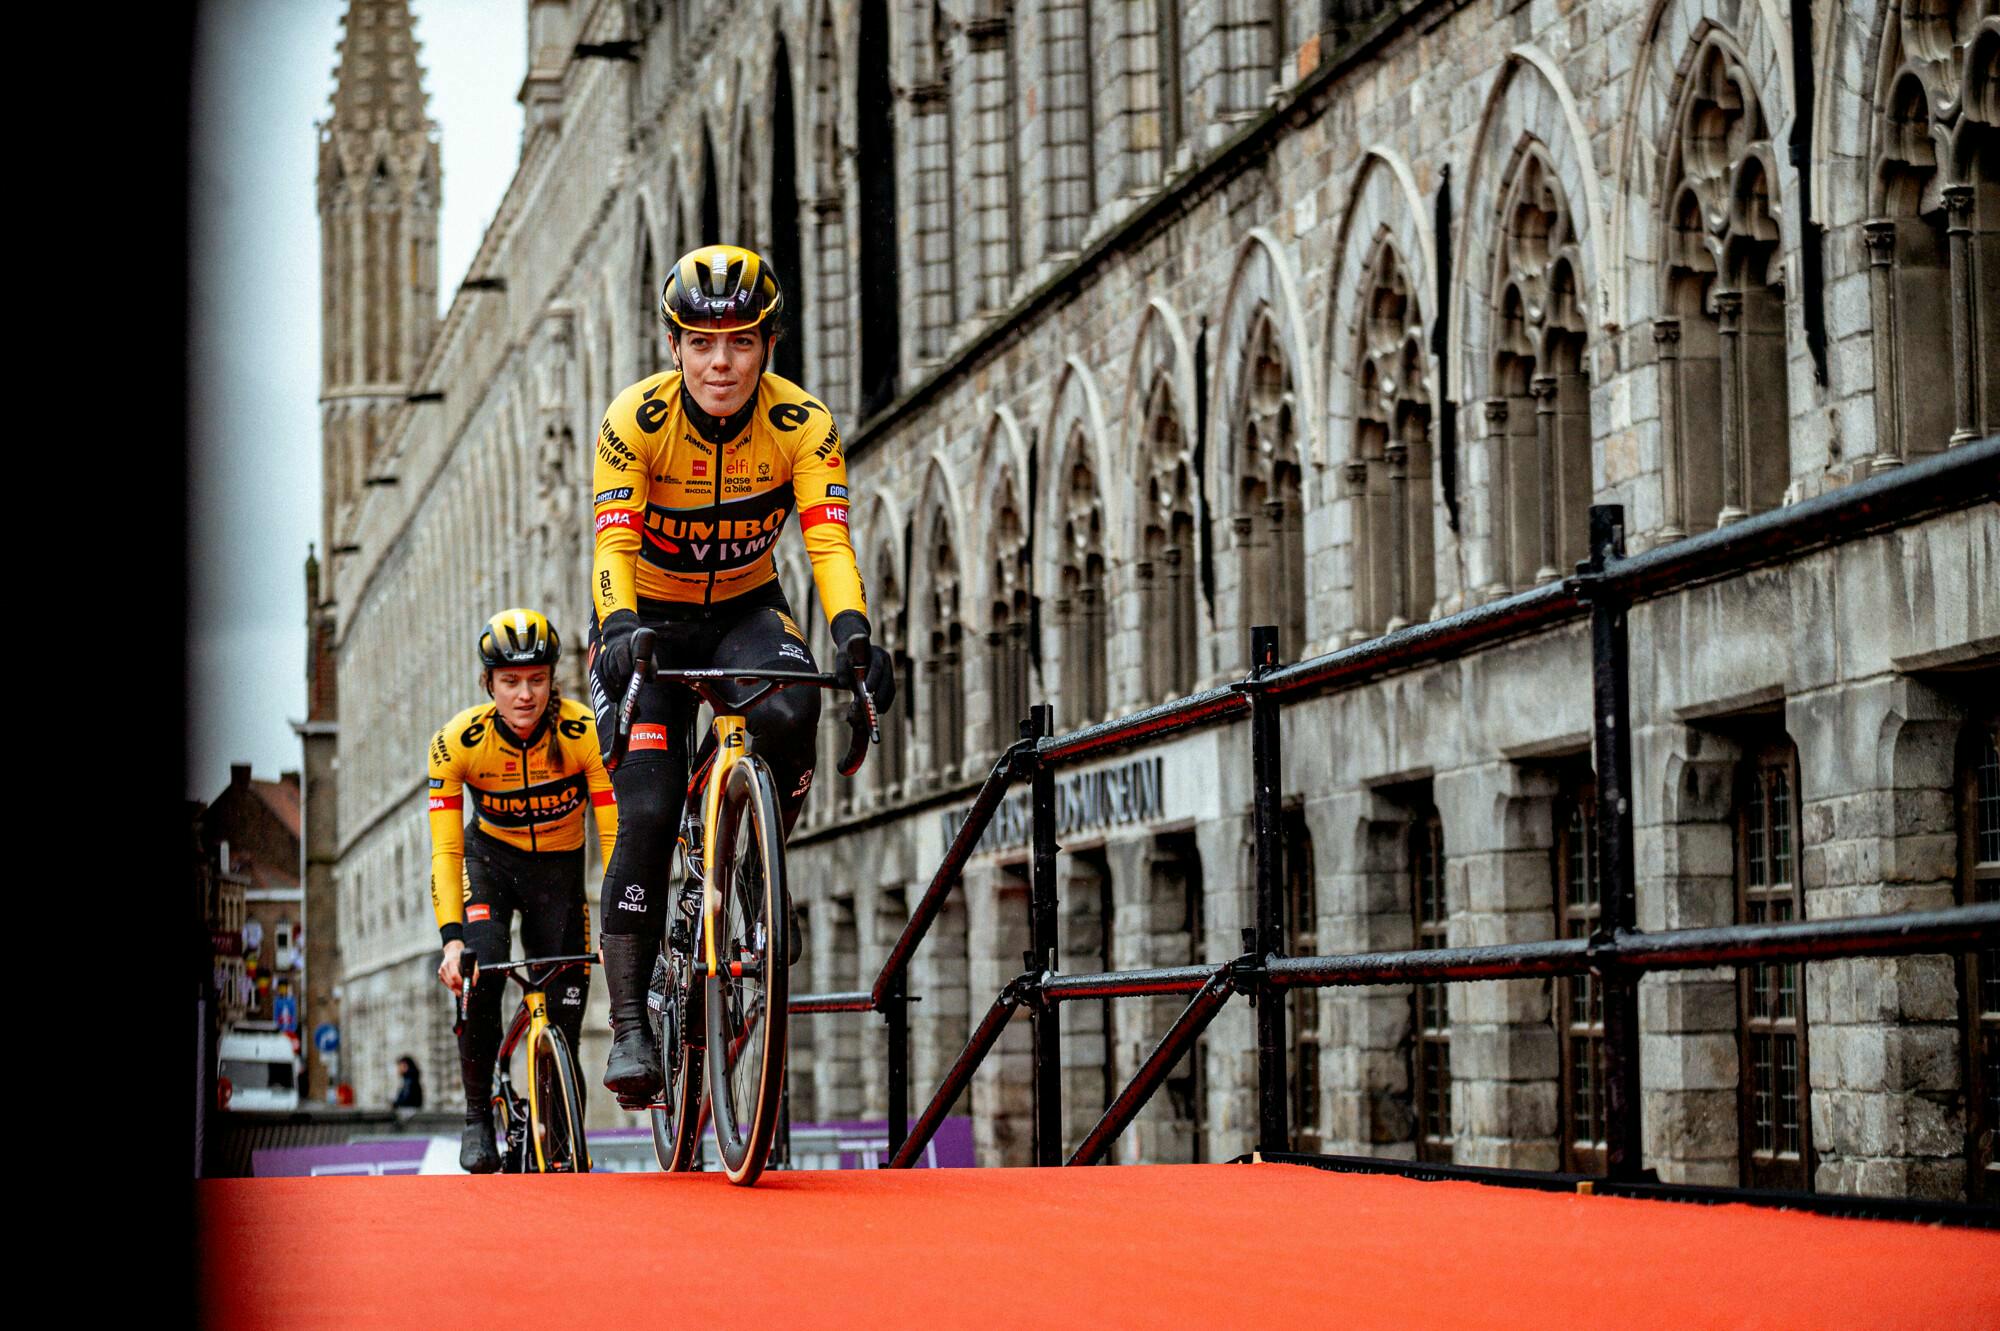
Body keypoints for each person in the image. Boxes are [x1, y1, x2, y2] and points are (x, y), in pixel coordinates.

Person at [587, 244, 894, 1108]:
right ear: (675, 346)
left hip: (746, 609)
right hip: (646, 621)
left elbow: (827, 542)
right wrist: (617, 628)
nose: (720, 363)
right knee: (648, 808)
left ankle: (755, 869)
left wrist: (855, 633)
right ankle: (632, 1024)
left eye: (741, 343)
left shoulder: (802, 423)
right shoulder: (635, 420)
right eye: (701, 343)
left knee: (794, 708)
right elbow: (612, 545)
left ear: (768, 346)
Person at [427, 608, 618, 1171]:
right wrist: (451, 941)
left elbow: (614, 833)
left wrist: (619, 923)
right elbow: (446, 851)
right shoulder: (457, 742)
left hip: (559, 873)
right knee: (482, 969)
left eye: (537, 679)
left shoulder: (584, 732)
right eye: (510, 681)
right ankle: (476, 1116)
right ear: (489, 684)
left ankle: (558, 1138)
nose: (525, 695)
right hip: (490, 865)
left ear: (553, 680)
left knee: (565, 1019)